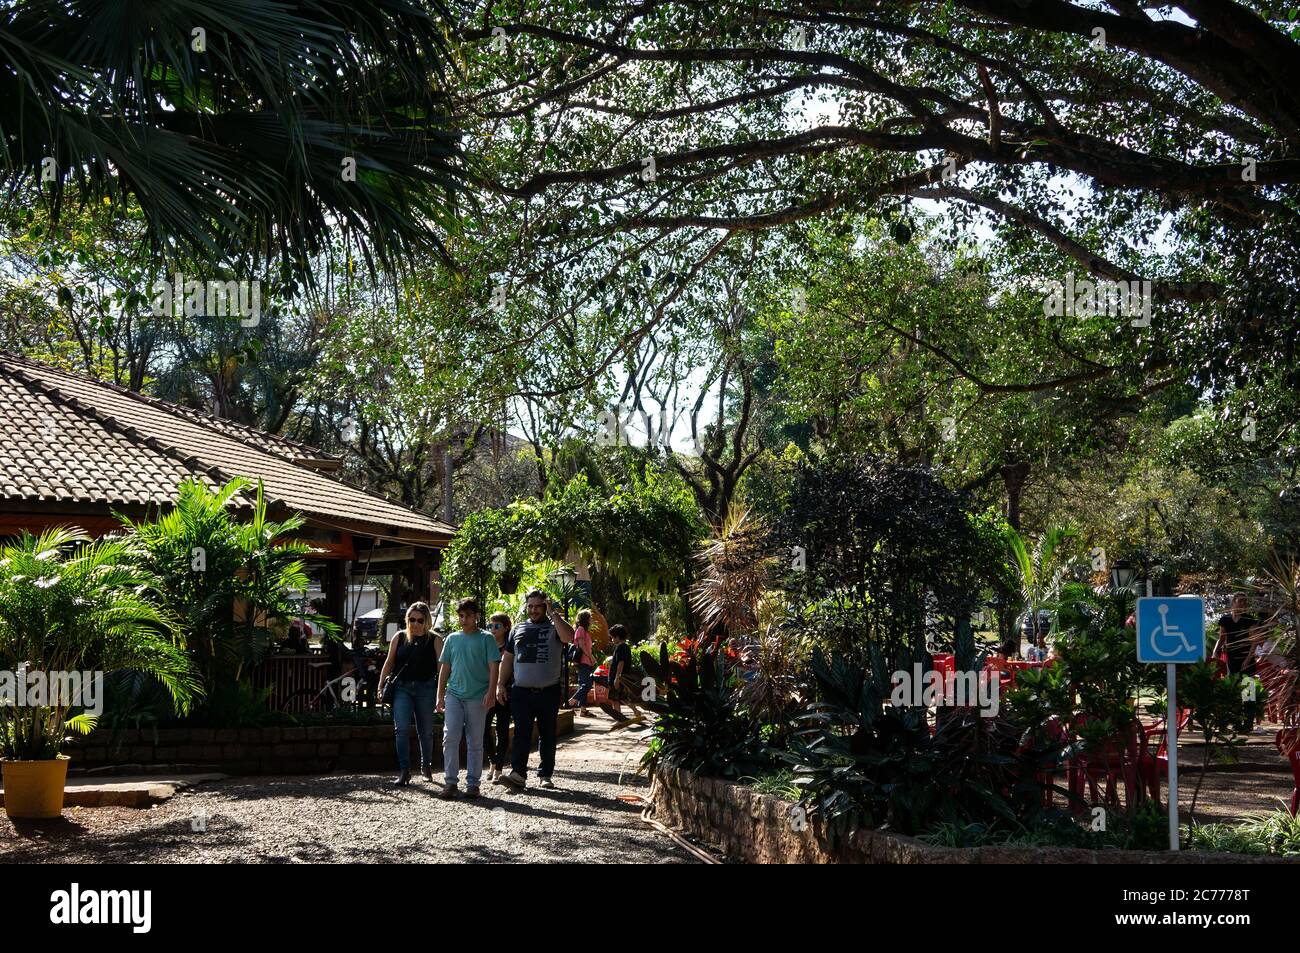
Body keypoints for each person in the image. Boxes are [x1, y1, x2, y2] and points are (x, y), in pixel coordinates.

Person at [492, 590, 575, 790]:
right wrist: (500, 684)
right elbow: (508, 659)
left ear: (545, 607)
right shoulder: (518, 629)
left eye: (538, 606)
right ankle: (518, 774)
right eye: (530, 606)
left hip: (548, 691)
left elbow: (569, 637)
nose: (534, 610)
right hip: (521, 691)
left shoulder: (554, 626)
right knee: (521, 733)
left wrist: (554, 613)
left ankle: (545, 775)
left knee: (547, 733)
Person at [436, 598, 500, 799]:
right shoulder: (452, 639)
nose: (464, 620)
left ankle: (473, 783)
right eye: (461, 616)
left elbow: (494, 667)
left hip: (477, 697)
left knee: (474, 741)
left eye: (468, 616)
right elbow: (445, 668)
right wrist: (440, 695)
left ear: (476, 616)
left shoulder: (486, 638)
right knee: (450, 736)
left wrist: (491, 692)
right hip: (454, 694)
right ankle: (450, 782)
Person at [377, 602, 442, 786]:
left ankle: (426, 765)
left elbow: (442, 667)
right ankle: (404, 770)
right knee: (401, 729)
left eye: (419, 620)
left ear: (426, 620)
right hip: (402, 687)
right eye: (411, 619)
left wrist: (442, 691)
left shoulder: (435, 640)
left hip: (426, 687)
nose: (415, 623)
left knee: (426, 731)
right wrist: (380, 684)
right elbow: (389, 663)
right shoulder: (399, 637)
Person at [483, 611, 513, 781]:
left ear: (506, 627)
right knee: (483, 730)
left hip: (504, 694)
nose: (492, 629)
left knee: (502, 730)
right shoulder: (486, 645)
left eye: (497, 626)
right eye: (490, 626)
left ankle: (499, 768)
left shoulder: (510, 647)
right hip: (486, 693)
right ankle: (493, 762)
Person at [603, 624, 645, 730]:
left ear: (617, 637)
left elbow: (621, 663)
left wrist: (617, 678)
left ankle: (619, 719)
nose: (611, 640)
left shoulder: (620, 648)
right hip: (622, 677)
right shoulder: (625, 647)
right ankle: (636, 711)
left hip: (617, 678)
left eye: (612, 637)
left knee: (615, 699)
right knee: (623, 697)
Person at [1214, 593, 1259, 676]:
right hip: (1232, 658)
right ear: (1234, 601)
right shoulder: (1225, 619)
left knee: (1250, 687)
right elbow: (1222, 638)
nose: (1243, 603)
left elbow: (1255, 641)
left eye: (1245, 601)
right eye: (1240, 601)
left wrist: (1248, 660)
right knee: (1234, 686)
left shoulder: (1249, 619)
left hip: (1246, 658)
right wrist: (1215, 651)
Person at [566, 609, 596, 716]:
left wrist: (590, 658)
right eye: (590, 617)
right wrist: (591, 657)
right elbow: (582, 646)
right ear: (586, 619)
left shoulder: (585, 631)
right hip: (582, 661)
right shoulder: (580, 629)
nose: (592, 619)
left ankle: (583, 710)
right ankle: (571, 701)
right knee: (587, 685)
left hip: (585, 661)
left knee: (583, 684)